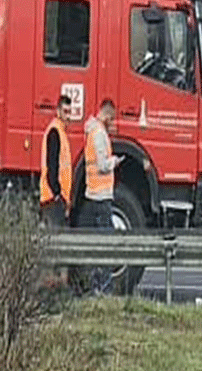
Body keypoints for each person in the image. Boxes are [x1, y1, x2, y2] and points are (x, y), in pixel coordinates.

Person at [82, 98, 123, 294]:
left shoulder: (93, 131)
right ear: (106, 115)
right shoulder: (98, 134)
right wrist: (114, 161)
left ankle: (96, 287)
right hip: (101, 196)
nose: (112, 122)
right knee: (105, 244)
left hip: (94, 194)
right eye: (111, 118)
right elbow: (102, 165)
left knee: (97, 243)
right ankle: (104, 289)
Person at [39, 94, 73, 228]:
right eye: (65, 112)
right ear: (58, 111)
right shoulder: (55, 132)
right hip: (53, 199)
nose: (68, 116)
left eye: (70, 112)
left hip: (56, 199)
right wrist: (58, 194)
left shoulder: (60, 132)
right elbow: (52, 166)